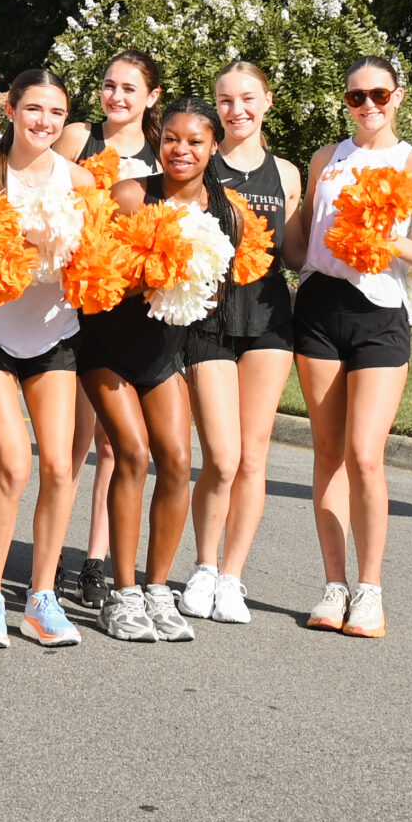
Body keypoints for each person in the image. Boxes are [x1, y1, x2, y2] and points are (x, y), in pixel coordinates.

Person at [288, 56, 412, 639]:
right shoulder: (325, 160)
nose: (368, 106)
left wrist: (393, 245)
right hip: (318, 311)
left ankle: (371, 591)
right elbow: (301, 240)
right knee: (327, 451)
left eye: (378, 94)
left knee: (364, 454)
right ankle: (334, 587)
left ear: (398, 96)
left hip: (379, 315)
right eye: (357, 97)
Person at [0, 69, 91, 652]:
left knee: (58, 466)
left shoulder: (78, 180)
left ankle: (41, 597)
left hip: (55, 336)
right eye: (34, 109)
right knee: (12, 463)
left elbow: (94, 264)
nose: (44, 123)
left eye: (56, 113)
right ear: (10, 109)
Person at [86, 99, 229, 644]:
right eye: (171, 138)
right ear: (159, 139)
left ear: (213, 147)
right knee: (133, 453)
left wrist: (197, 288)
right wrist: (151, 277)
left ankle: (157, 588)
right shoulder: (129, 195)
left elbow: (213, 294)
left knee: (177, 459)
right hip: (106, 344)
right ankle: (122, 596)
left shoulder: (223, 212)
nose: (181, 150)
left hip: (163, 353)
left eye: (194, 141)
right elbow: (93, 275)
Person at [180, 59, 301, 624]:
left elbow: (297, 255)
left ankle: (233, 577)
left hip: (272, 322)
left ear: (268, 101)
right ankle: (203, 567)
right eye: (226, 101)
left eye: (248, 98)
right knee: (222, 459)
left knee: (254, 455)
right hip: (211, 320)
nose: (238, 110)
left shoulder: (289, 173)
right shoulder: (203, 165)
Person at [59, 51, 164, 610]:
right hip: (71, 304)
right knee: (71, 442)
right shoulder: (78, 137)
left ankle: (95, 559)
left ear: (151, 96)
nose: (116, 96)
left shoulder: (158, 153)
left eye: (130, 88)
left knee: (110, 442)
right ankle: (51, 555)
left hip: (124, 310)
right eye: (108, 86)